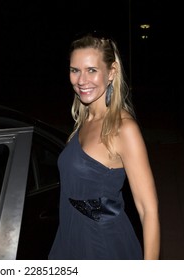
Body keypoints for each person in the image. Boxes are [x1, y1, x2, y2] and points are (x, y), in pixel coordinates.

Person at [48, 32, 160, 260]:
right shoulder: (84, 120)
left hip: (103, 247)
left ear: (111, 73)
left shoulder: (123, 128)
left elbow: (148, 210)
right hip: (69, 239)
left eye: (91, 70)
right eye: (74, 70)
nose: (81, 80)